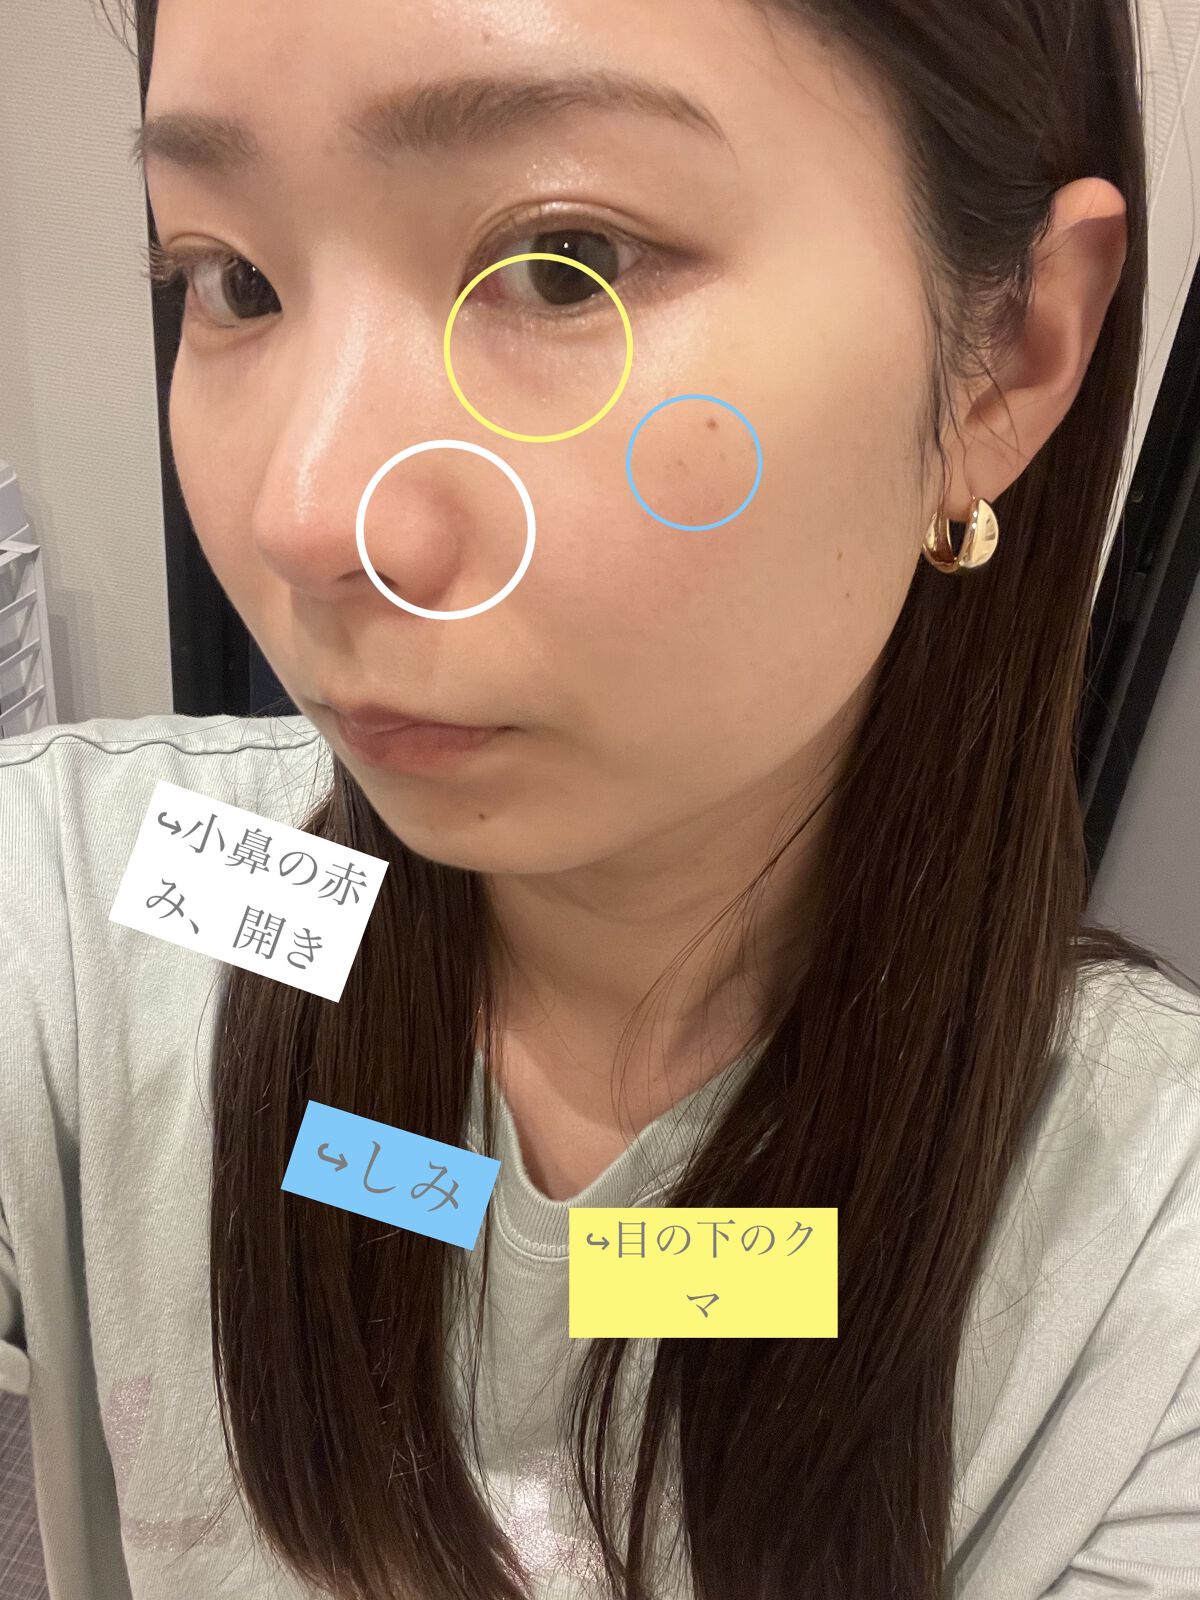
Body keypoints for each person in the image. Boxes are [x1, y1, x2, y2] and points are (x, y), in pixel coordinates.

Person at [2, 0, 1199, 1595]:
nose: (305, 514)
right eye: (234, 280)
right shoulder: (111, 890)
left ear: (1008, 353)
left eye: (562, 264)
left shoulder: (1148, 1271)